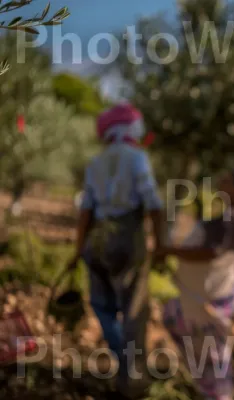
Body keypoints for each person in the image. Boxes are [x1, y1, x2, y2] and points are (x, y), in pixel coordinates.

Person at [66, 103, 165, 399]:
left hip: (97, 239)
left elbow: (86, 212)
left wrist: (77, 249)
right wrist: (160, 246)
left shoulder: (96, 163)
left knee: (102, 304)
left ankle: (122, 357)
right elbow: (154, 205)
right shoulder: (137, 158)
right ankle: (131, 375)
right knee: (134, 310)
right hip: (127, 238)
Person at [157, 170, 234, 400]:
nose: (222, 182)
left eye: (228, 181)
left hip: (211, 298)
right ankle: (209, 391)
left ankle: (219, 395)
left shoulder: (233, 219)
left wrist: (170, 251)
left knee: (213, 354)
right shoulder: (229, 218)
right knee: (176, 319)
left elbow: (211, 253)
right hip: (204, 297)